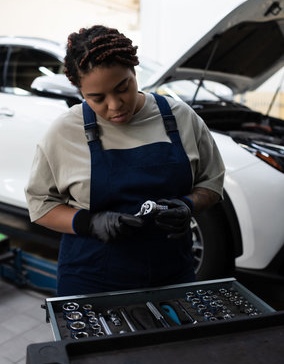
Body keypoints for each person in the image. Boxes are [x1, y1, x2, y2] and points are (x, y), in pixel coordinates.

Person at [25, 25, 225, 297]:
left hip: (173, 273)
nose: (115, 105)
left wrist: (188, 205)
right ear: (80, 92)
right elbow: (40, 205)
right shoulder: (65, 131)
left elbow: (211, 183)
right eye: (97, 98)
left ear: (134, 71)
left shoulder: (180, 117)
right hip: (92, 279)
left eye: (123, 88)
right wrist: (89, 223)